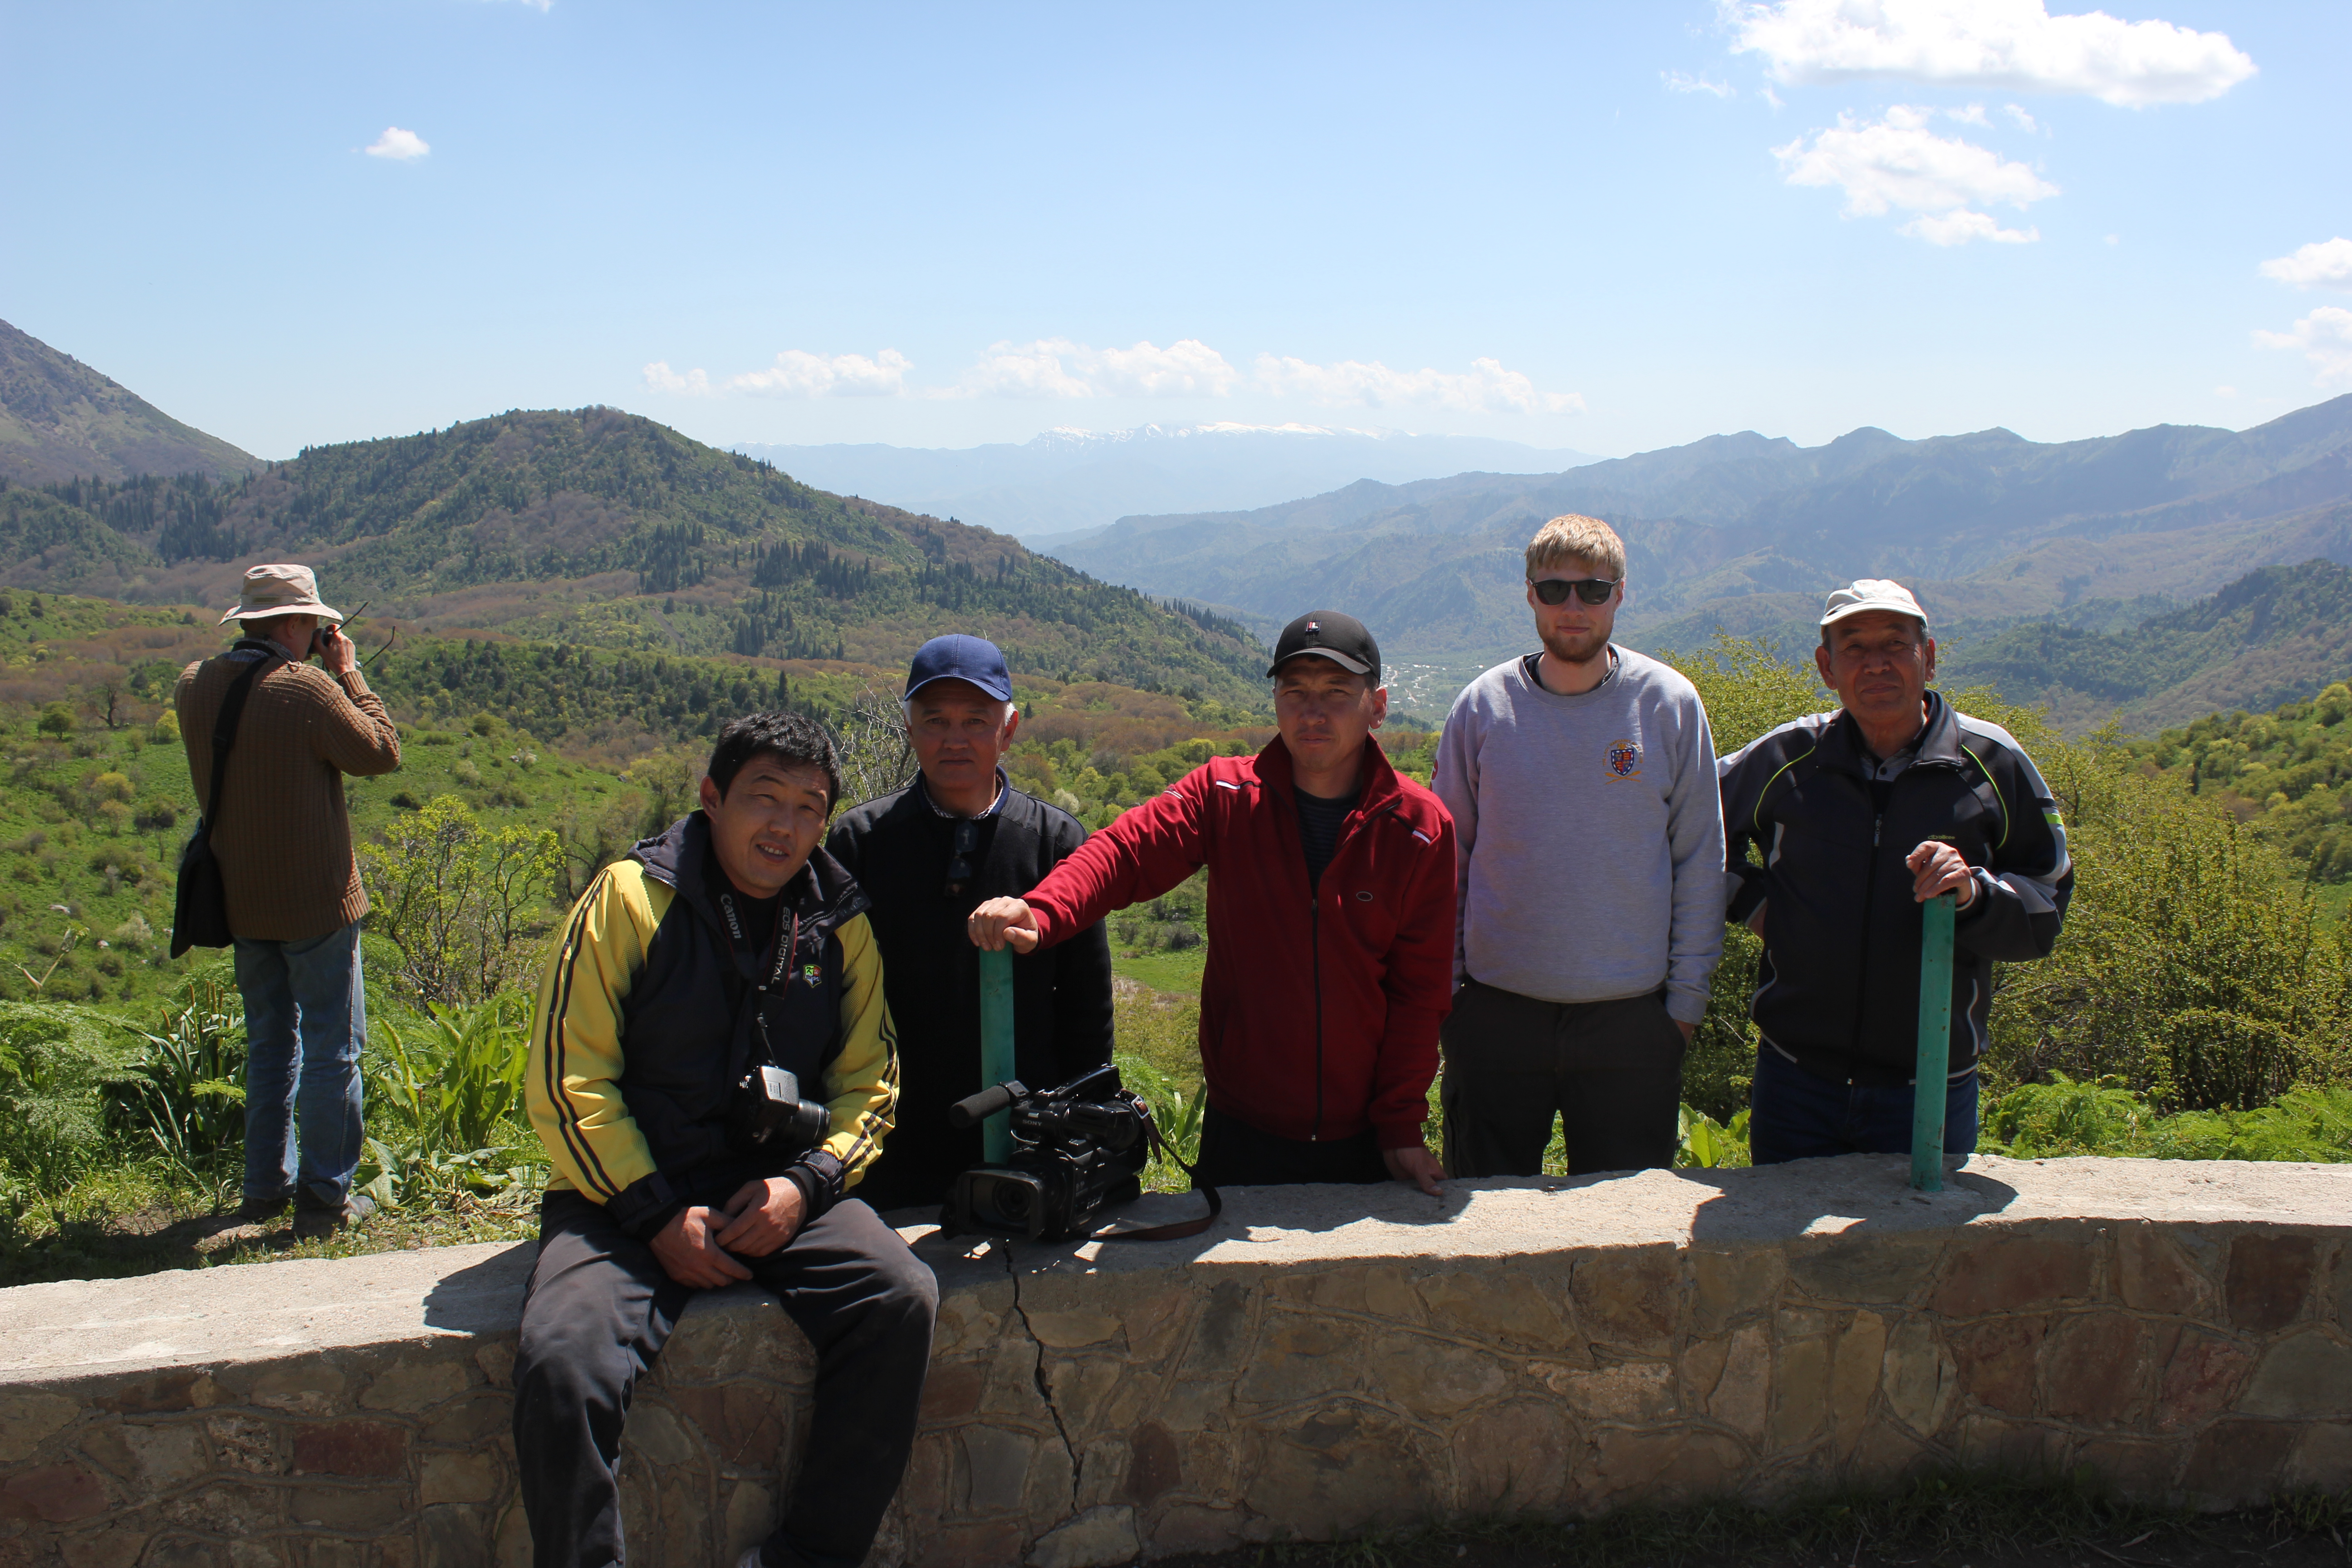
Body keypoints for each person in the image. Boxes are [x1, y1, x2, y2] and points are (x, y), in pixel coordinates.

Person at [514, 712, 935, 1568]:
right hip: (624, 1193)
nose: (782, 826)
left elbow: (872, 1082)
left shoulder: (837, 918)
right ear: (711, 799)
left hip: (775, 1188)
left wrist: (807, 1186)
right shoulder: (631, 899)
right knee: (563, 1363)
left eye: (808, 807)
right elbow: (569, 1080)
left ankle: (810, 1556)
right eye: (761, 799)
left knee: (898, 1298)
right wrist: (654, 1211)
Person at [970, 611, 1455, 1195]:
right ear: (1275, 701)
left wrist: (1401, 1126)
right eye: (1295, 692)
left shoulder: (1420, 828)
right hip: (1242, 1129)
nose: (1313, 712)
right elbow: (1127, 851)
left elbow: (1419, 994)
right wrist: (1045, 910)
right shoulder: (1224, 795)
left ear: (1377, 706)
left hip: (1367, 1140)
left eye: (1336, 693)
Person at [1717, 580, 2073, 1166]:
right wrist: (1756, 905)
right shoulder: (1788, 758)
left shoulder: (1992, 764)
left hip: (1930, 1087)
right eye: (1855, 648)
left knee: (1919, 1256)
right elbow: (1690, 830)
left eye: (1896, 644)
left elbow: (2047, 905)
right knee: (1784, 1258)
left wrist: (1974, 896)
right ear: (1827, 668)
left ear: (1928, 658)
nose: (1876, 664)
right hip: (1794, 1082)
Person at [1432, 514, 1725, 1178]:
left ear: (1620, 596)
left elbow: (1701, 861)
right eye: (1555, 589)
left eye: (1592, 591)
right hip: (1496, 1015)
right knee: (1485, 1227)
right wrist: (1451, 999)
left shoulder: (1669, 705)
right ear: (1529, 594)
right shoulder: (1482, 708)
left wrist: (1683, 1008)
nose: (1573, 607)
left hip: (1632, 1025)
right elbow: (1448, 864)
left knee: (1629, 1234)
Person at [825, 634, 1113, 1212]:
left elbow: (1088, 1007)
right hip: (887, 1133)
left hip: (1026, 1137)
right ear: (910, 731)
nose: (954, 739)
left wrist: (1089, 1128)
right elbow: (829, 998)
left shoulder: (1055, 843)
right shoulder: (860, 842)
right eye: (935, 720)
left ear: (1007, 732)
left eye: (976, 720)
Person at [175, 563, 401, 1240]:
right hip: (317, 904)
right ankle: (326, 1197)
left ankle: (264, 1188)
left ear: (246, 620)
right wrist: (349, 675)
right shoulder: (306, 691)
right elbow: (382, 753)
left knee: (271, 1044)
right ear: (300, 624)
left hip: (241, 897)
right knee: (335, 1047)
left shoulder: (194, 685)